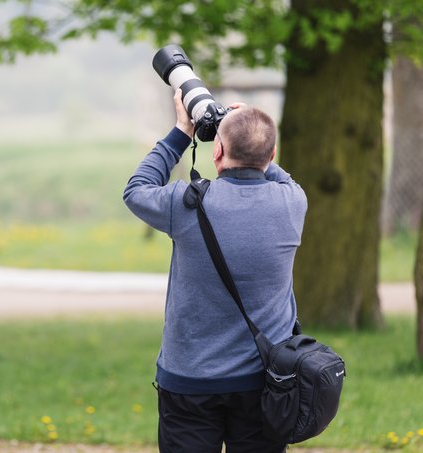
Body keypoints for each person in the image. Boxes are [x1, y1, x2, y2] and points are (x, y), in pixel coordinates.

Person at [123, 89, 307, 453]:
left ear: (217, 152)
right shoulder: (293, 202)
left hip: (190, 380)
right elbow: (273, 168)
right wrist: (249, 128)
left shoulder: (186, 204)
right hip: (265, 381)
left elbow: (136, 190)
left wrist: (182, 131)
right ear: (272, 156)